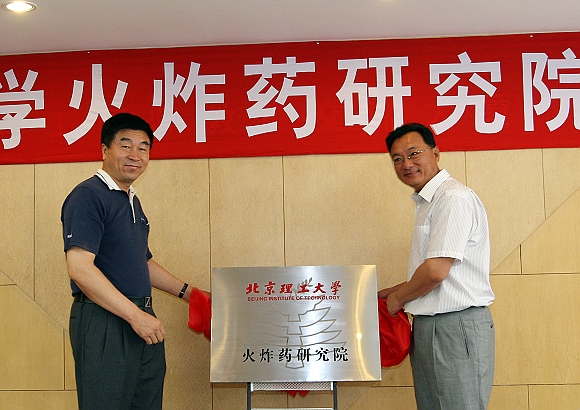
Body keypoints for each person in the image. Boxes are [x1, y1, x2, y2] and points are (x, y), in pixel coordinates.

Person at [61, 113, 206, 410]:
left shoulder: (131, 200)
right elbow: (80, 269)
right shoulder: (88, 196)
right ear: (105, 150)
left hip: (141, 317)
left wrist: (192, 294)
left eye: (143, 147)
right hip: (106, 319)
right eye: (125, 145)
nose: (135, 155)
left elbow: (143, 262)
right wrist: (135, 316)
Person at [378, 123, 495, 410]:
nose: (406, 164)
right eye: (397, 159)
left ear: (436, 153)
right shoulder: (427, 201)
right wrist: (393, 291)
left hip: (455, 326)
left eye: (414, 153)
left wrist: (397, 299)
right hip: (431, 325)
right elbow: (437, 270)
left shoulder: (451, 198)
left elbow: (435, 272)